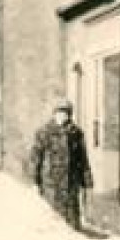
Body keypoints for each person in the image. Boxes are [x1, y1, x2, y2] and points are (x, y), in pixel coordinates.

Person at [30, 98, 93, 229]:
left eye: (66, 113)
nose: (63, 116)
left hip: (71, 184)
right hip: (51, 184)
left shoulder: (76, 133)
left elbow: (83, 159)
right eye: (60, 112)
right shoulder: (44, 132)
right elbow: (36, 158)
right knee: (51, 222)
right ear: (54, 113)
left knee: (71, 224)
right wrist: (35, 182)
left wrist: (87, 183)